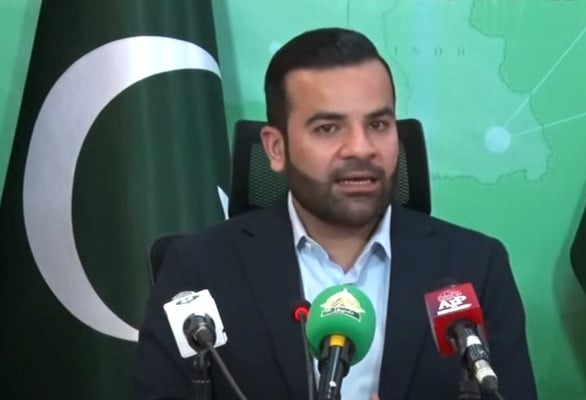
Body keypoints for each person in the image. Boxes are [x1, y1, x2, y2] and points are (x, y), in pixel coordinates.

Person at [133, 27, 537, 400]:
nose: (361, 148)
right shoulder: (199, 269)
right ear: (276, 148)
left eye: (378, 124)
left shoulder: (474, 267)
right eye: (328, 128)